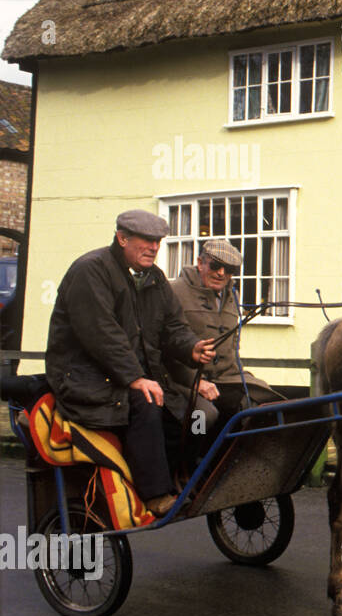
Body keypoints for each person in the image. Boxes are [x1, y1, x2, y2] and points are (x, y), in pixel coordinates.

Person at [46, 210, 215, 516]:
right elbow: (102, 335)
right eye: (147, 241)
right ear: (122, 238)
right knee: (147, 403)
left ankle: (183, 477)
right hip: (86, 379)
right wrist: (136, 378)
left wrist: (191, 347)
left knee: (192, 415)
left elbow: (173, 327)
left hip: (131, 376)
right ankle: (154, 494)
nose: (154, 247)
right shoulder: (91, 270)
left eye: (158, 241)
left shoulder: (155, 278)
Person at [167, 239, 282, 455]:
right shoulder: (174, 292)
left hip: (224, 378)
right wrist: (196, 382)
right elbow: (164, 348)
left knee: (263, 400)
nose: (221, 273)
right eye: (215, 266)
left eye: (229, 269)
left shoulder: (232, 296)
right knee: (202, 416)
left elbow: (233, 347)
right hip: (183, 380)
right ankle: (190, 463)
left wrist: (243, 377)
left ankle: (230, 465)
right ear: (200, 263)